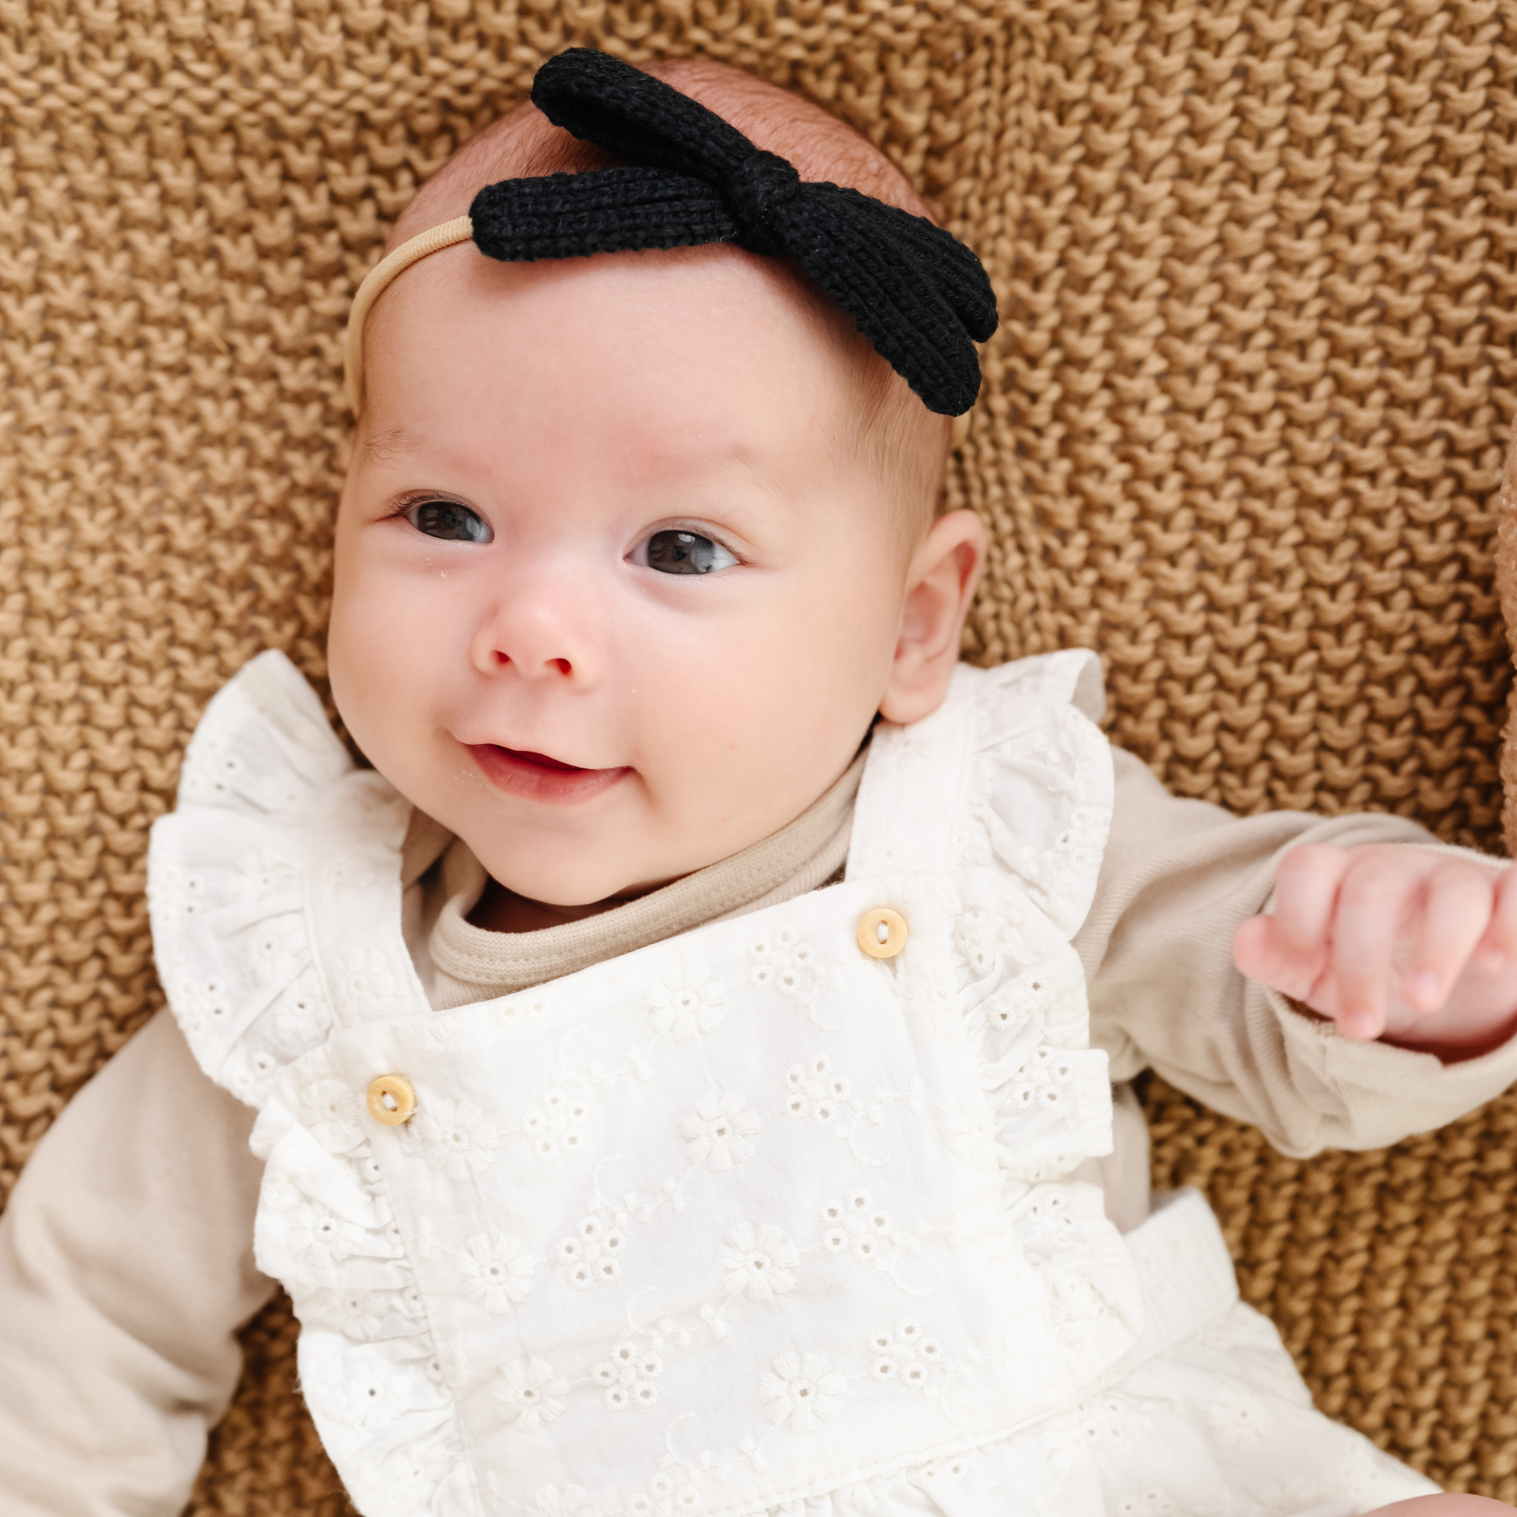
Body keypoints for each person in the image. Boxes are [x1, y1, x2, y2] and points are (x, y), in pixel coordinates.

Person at [2, 48, 1515, 1517]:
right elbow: (83, 1310)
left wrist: (1401, 965)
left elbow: (1266, 999)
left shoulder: (987, 833)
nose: (531, 629)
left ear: (912, 626)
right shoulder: (302, 973)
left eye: (679, 549)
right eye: (445, 516)